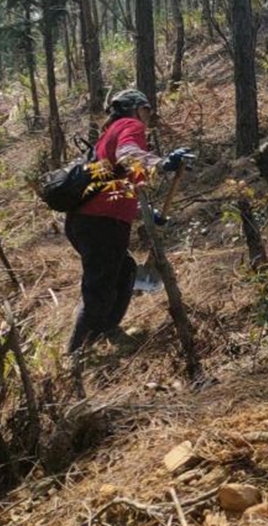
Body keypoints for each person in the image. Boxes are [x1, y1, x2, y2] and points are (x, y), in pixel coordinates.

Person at [67, 89, 183, 356]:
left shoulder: (108, 135)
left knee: (124, 273)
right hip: (101, 224)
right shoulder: (129, 126)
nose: (148, 117)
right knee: (101, 288)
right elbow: (129, 154)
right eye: (146, 110)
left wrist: (146, 213)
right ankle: (77, 356)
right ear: (135, 109)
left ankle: (106, 331)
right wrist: (162, 162)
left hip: (88, 222)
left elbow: (117, 185)